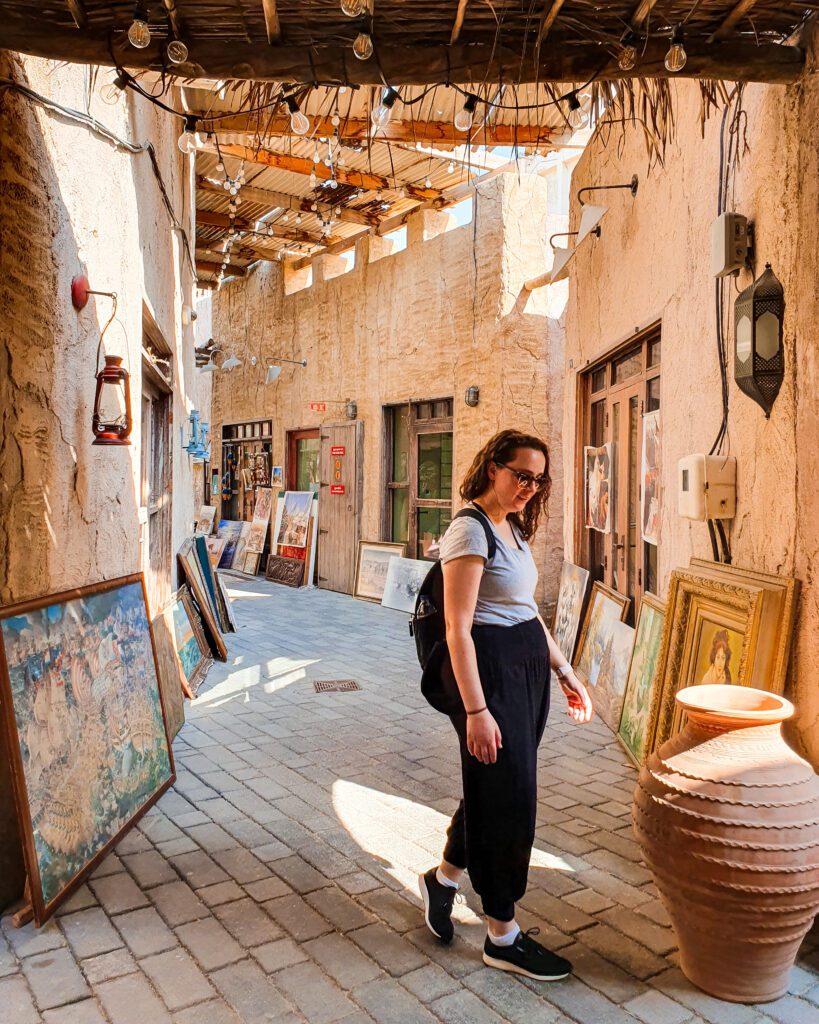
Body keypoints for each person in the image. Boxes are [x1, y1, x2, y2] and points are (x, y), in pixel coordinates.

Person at [418, 429, 593, 982]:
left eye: (539, 480)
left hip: (524, 672)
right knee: (509, 798)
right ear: (493, 467)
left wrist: (563, 672)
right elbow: (457, 629)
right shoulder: (469, 531)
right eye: (522, 475)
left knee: (497, 788)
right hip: (489, 676)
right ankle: (502, 934)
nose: (530, 487)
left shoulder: (512, 527)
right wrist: (476, 711)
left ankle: (443, 879)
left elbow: (526, 610)